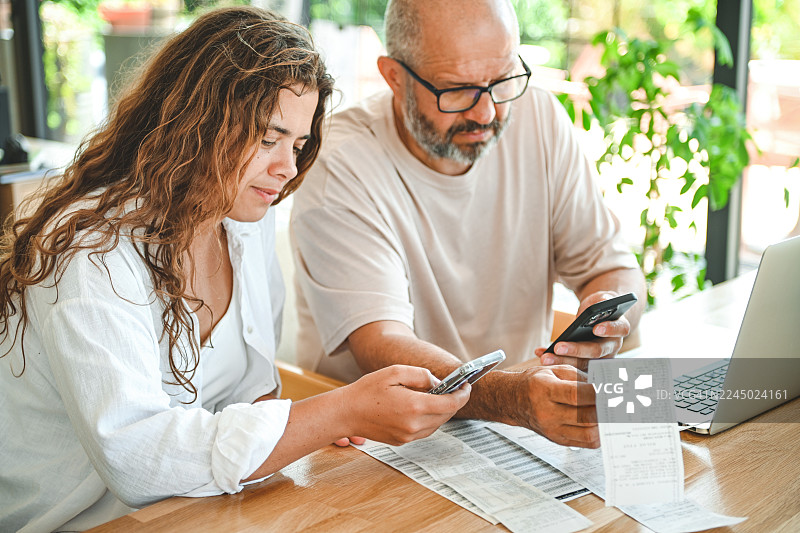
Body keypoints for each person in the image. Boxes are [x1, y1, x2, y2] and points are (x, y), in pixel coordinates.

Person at [0, 7, 470, 532]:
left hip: (197, 510)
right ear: (195, 121)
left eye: (297, 144)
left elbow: (251, 391)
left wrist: (303, 428)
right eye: (268, 138)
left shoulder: (243, 220)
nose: (288, 168)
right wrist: (336, 413)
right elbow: (135, 460)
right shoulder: (91, 253)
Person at [290, 0, 647, 449]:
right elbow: (382, 344)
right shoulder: (339, 164)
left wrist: (610, 316)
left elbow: (612, 268)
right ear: (394, 77)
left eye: (501, 82)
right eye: (457, 90)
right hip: (379, 447)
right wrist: (513, 398)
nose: (487, 114)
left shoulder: (538, 117)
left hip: (526, 426)